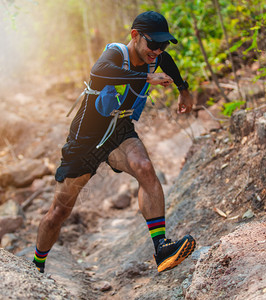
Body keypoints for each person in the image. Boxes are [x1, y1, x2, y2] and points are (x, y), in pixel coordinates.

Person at [34, 11, 196, 274]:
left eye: (163, 45)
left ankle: (162, 249)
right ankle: (37, 266)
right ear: (135, 36)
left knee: (145, 167)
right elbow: (99, 72)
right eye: (153, 44)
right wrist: (146, 78)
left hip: (119, 132)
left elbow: (170, 64)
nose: (158, 50)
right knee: (59, 212)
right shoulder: (116, 54)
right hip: (85, 140)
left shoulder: (155, 57)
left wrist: (183, 89)